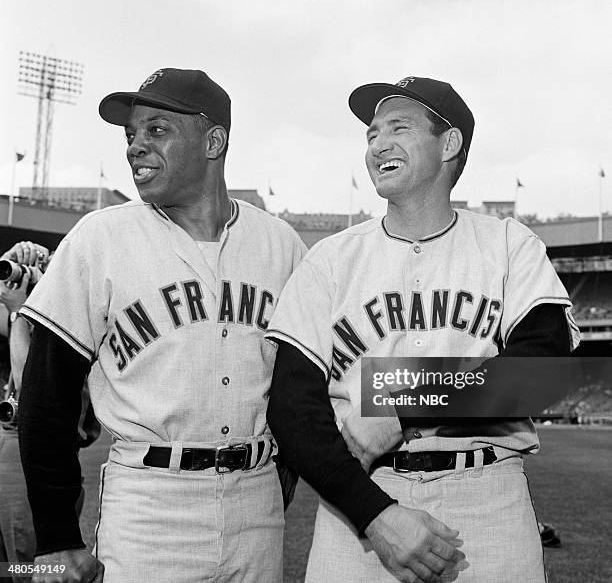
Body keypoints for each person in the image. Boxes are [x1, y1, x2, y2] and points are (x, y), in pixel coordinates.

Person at [266, 76, 580, 582]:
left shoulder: (508, 245)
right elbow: (291, 407)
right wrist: (376, 516)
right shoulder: (329, 259)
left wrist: (399, 411)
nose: (377, 144)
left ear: (449, 143)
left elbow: (536, 374)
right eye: (371, 134)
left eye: (399, 127)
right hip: (360, 507)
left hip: (487, 500)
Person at [18, 68, 305, 583]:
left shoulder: (280, 244)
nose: (135, 147)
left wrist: (277, 474)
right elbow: (46, 395)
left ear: (213, 140)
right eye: (131, 134)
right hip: (151, 505)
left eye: (156, 129)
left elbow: (303, 386)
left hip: (258, 505)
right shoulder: (100, 237)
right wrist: (57, 538)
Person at [0, 242, 99, 583]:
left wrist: (19, 314)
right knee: (9, 568)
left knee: (31, 570)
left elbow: (30, 387)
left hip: (35, 459)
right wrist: (9, 265)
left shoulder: (72, 319)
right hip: (12, 451)